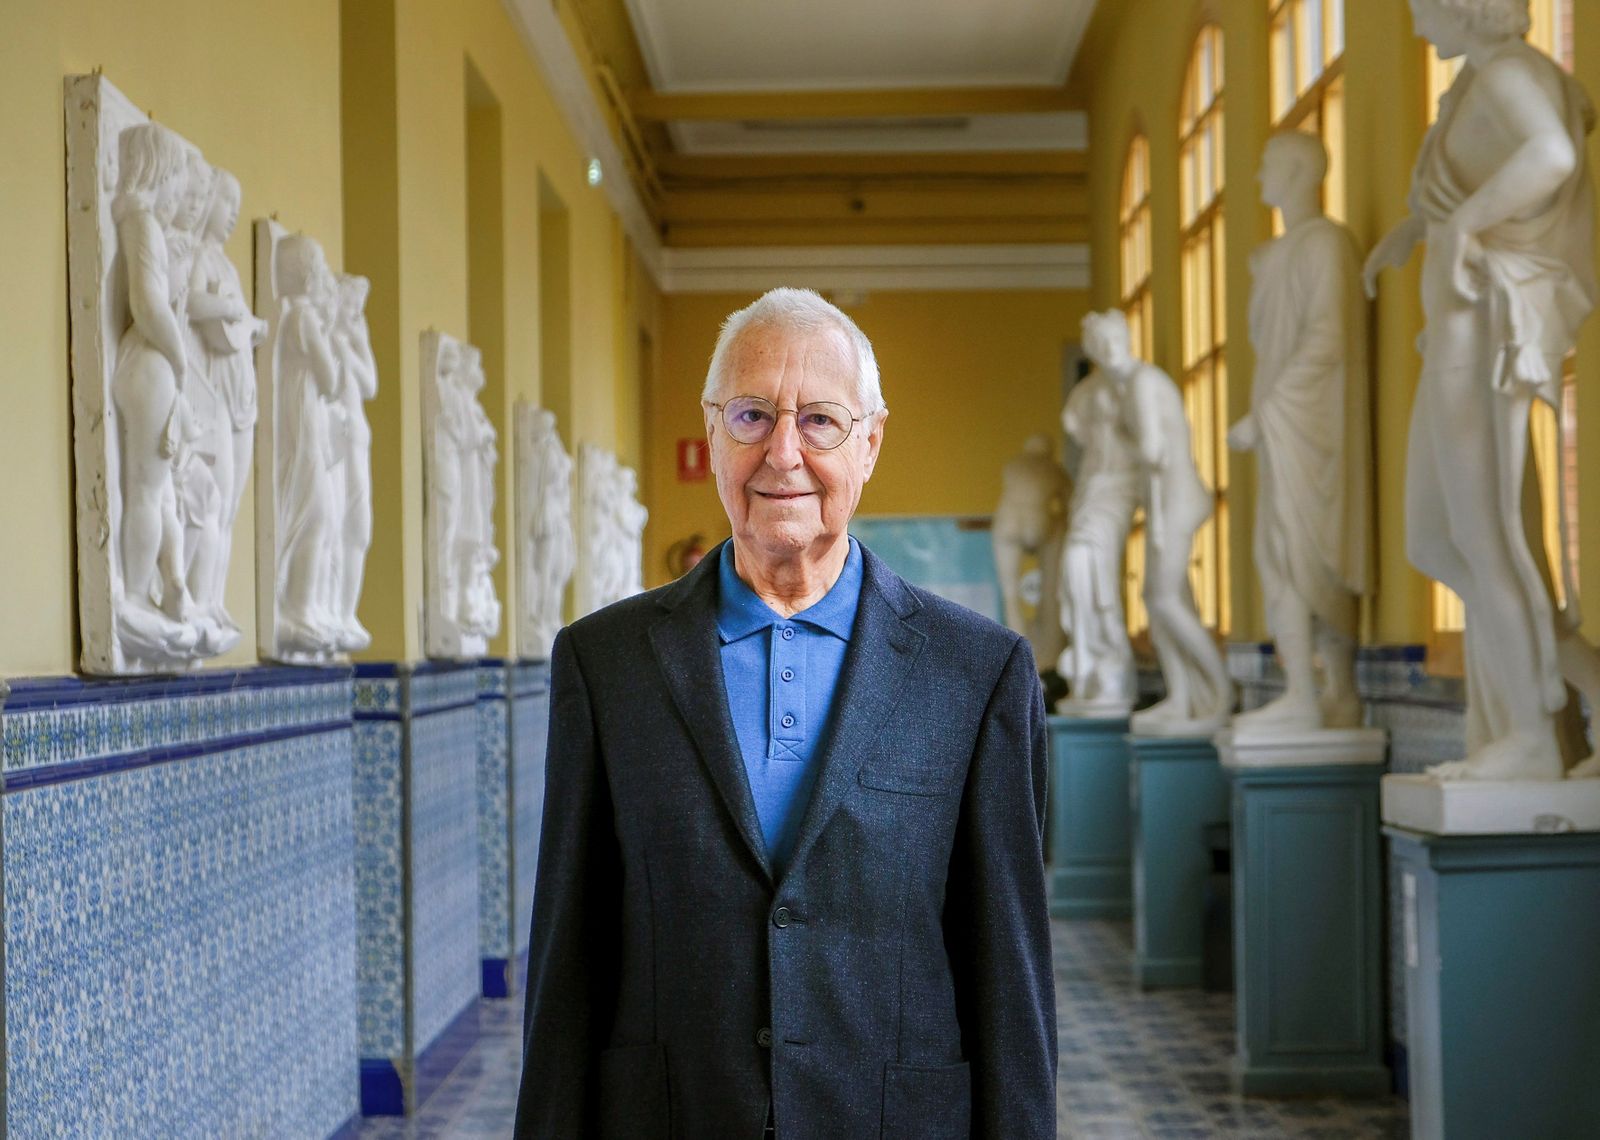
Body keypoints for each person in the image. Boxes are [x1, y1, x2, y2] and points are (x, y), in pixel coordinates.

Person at [515, 287, 1056, 1138]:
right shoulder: (604, 664)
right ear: (712, 428)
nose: (782, 453)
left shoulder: (978, 674)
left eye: (819, 423)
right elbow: (567, 968)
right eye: (752, 414)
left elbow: (1010, 983)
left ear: (870, 443)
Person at [1364, 0, 1596, 779]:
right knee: (1436, 538)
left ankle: (1530, 739)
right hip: (1455, 328)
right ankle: (1580, 694)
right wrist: (1422, 229)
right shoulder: (1474, 80)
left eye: (1425, 7)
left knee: (1487, 535)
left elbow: (1553, 153)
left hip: (1486, 323)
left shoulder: (1509, 70)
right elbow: (1494, 169)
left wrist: (1463, 226)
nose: (1419, 23)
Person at [1229, 131, 1371, 733]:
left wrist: (1266, 414)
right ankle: (1310, 692)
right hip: (1286, 422)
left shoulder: (1326, 245)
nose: (1260, 177)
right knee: (1281, 553)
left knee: (1313, 551)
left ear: (1296, 170)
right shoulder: (1277, 254)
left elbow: (1329, 337)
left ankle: (1321, 693)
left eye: (1267, 165)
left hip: (1312, 421)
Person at [1084, 309, 1233, 734]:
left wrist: (1109, 445)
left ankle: (1219, 696)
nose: (1110, 351)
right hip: (1163, 503)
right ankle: (1183, 697)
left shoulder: (1142, 384)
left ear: (1126, 339)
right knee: (1162, 598)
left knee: (1163, 598)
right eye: (1101, 345)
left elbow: (1150, 451)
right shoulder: (1129, 385)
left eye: (1115, 341)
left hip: (1177, 501)